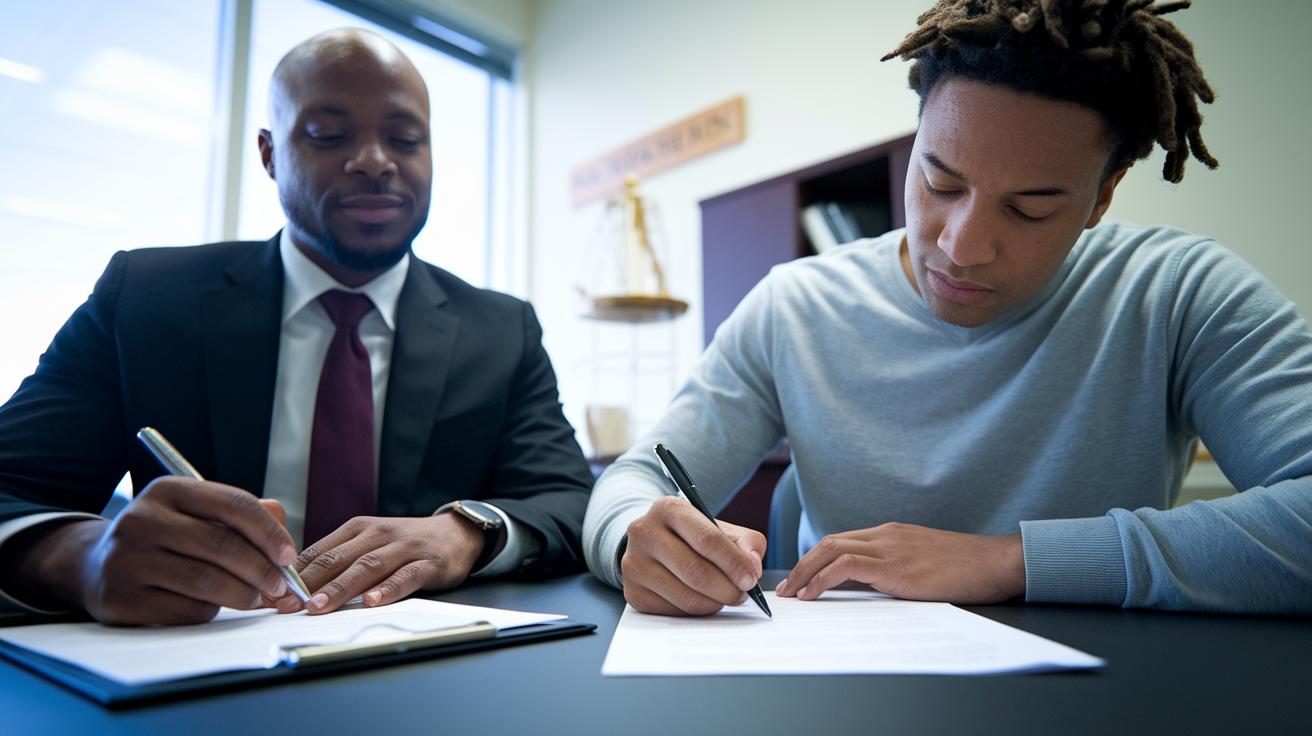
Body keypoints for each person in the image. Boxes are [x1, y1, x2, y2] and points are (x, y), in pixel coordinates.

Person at [583, 0, 1312, 616]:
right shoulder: (795, 305)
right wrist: (632, 540)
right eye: (940, 183)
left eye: (1029, 209)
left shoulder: (1178, 293)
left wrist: (1010, 561)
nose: (963, 248)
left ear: (1104, 195)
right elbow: (636, 480)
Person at [0, 29, 593, 625]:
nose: (374, 161)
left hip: (430, 670)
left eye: (405, 138)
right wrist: (82, 556)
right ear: (268, 153)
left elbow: (568, 501)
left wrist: (465, 531)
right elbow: (12, 484)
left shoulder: (500, 329)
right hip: (194, 676)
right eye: (329, 135)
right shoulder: (146, 300)